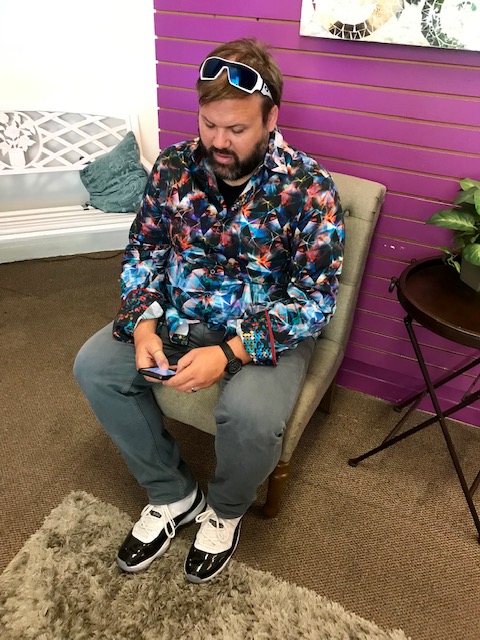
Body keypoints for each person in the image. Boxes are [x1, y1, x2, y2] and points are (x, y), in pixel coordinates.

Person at [74, 37, 344, 584]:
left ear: (271, 118)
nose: (219, 142)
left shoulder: (310, 189)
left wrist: (229, 353)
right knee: (94, 368)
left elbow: (314, 301)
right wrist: (144, 322)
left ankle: (224, 510)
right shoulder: (174, 166)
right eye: (209, 124)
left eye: (237, 129)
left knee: (252, 418)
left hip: (265, 329)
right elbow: (144, 250)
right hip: (176, 313)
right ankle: (173, 494)